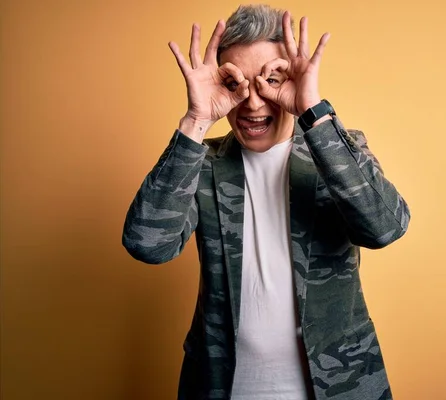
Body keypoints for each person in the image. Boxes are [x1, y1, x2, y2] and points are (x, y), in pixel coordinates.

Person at [122, 4, 410, 400]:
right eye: (235, 83)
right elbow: (147, 245)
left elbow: (385, 228)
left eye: (270, 80)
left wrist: (313, 110)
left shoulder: (335, 151)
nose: (254, 104)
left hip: (341, 386)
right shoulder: (201, 164)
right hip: (224, 386)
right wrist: (195, 119)